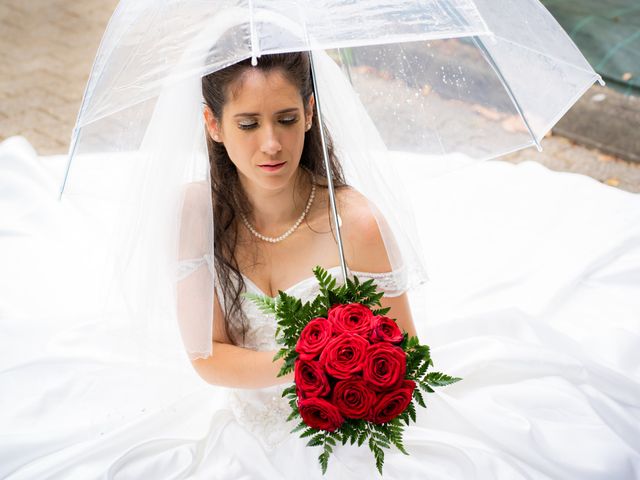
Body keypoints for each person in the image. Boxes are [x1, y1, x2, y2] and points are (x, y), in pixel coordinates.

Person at [186, 52, 418, 394]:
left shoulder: (356, 225)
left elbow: (405, 360)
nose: (271, 145)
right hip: (246, 427)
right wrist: (311, 360)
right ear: (213, 123)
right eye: (248, 124)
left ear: (309, 112)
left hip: (343, 431)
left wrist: (340, 378)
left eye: (287, 119)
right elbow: (207, 355)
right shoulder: (197, 214)